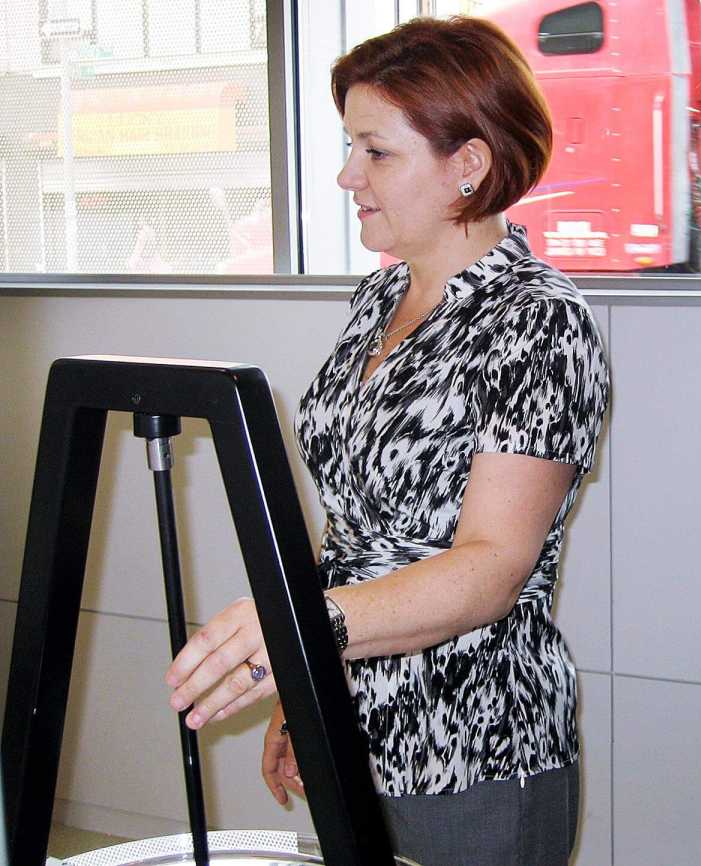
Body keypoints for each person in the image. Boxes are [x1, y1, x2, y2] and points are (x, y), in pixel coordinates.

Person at [163, 17, 608, 866]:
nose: (344, 175)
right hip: (354, 721)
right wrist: (305, 688)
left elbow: (490, 567)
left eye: (376, 152)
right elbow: (352, 530)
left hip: (474, 743)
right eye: (348, 148)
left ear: (467, 165)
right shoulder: (380, 299)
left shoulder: (538, 321)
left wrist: (301, 632)